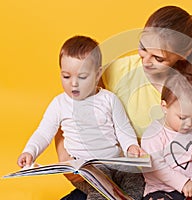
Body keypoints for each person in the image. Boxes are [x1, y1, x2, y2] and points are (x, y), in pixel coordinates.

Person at [57, 5, 192, 199]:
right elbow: (68, 112)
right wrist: (66, 160)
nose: (146, 61)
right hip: (117, 181)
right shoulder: (116, 72)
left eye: (158, 57)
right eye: (143, 48)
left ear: (185, 53)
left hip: (171, 186)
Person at [17, 35, 145, 200]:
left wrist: (131, 146)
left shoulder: (109, 99)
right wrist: (30, 151)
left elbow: (123, 128)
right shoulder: (59, 104)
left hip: (115, 162)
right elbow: (43, 132)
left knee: (136, 181)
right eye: (66, 76)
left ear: (97, 74)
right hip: (87, 170)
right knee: (99, 191)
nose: (74, 83)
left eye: (82, 77)